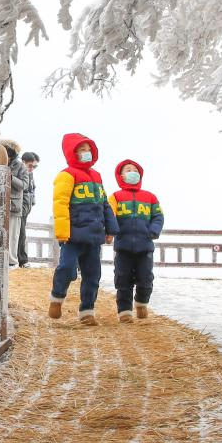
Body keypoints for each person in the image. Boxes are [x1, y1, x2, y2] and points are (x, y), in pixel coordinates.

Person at [48, 133, 119, 326]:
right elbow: (60, 204)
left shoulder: (96, 176)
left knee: (92, 274)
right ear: (73, 153)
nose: (86, 153)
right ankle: (57, 296)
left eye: (89, 150)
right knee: (66, 268)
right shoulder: (66, 175)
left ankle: (87, 311)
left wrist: (110, 229)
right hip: (73, 235)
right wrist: (63, 232)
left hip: (94, 236)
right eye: (82, 150)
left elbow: (104, 204)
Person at [108, 159, 164, 323]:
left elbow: (158, 216)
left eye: (135, 169)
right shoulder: (115, 197)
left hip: (145, 247)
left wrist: (153, 231)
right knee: (122, 279)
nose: (132, 172)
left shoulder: (150, 197)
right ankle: (124, 311)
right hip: (123, 248)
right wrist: (110, 231)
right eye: (127, 170)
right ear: (121, 175)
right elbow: (109, 215)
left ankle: (141, 303)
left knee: (145, 278)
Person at [1, 140, 29, 266]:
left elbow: (24, 185)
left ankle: (12, 262)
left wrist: (10, 177)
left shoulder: (20, 166)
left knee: (13, 237)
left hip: (13, 206)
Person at [17, 151, 39, 267]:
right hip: (19, 207)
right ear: (23, 162)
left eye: (34, 166)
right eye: (30, 166)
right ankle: (22, 260)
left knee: (22, 233)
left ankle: (21, 259)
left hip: (26, 207)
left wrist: (33, 201)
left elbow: (32, 188)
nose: (32, 168)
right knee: (21, 234)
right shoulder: (20, 172)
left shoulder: (30, 174)